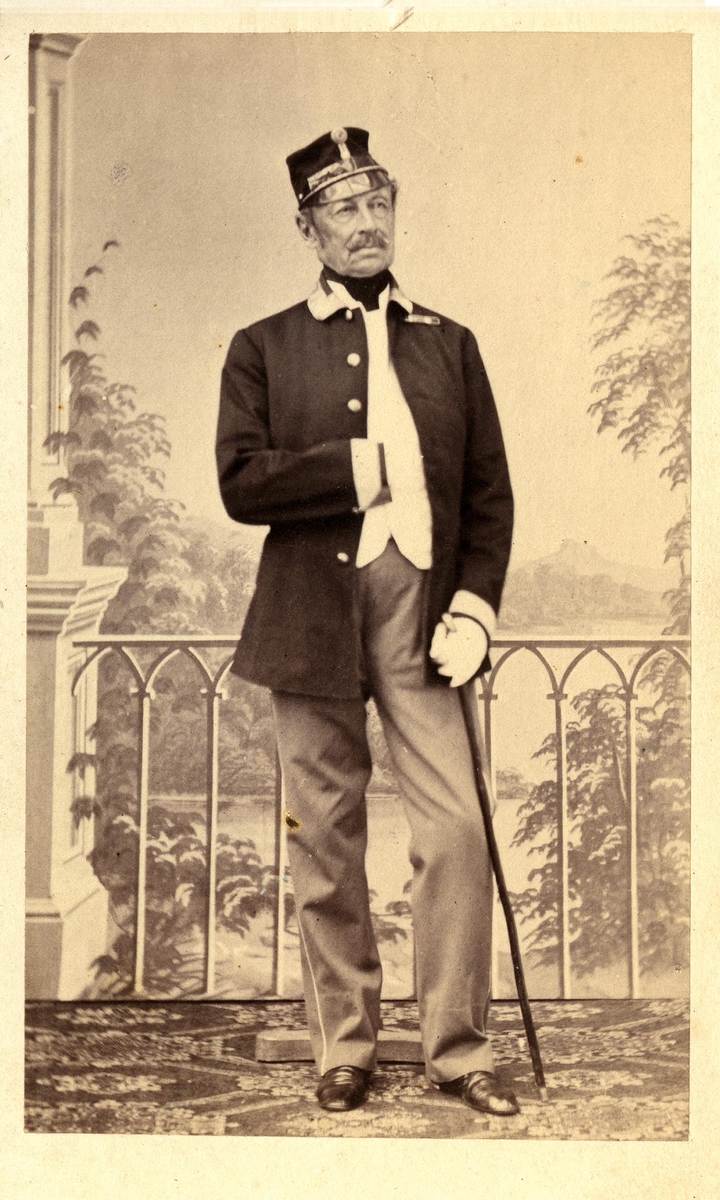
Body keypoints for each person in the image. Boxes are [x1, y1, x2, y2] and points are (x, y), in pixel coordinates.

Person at [216, 127, 517, 1116]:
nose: (366, 222)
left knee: (456, 829)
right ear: (306, 227)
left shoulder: (449, 342)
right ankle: (343, 1046)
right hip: (309, 618)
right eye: (343, 207)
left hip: (424, 614)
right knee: (326, 836)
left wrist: (475, 605)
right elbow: (241, 481)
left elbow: (488, 494)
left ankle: (458, 1051)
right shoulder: (262, 346)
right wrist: (355, 467)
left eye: (378, 202)